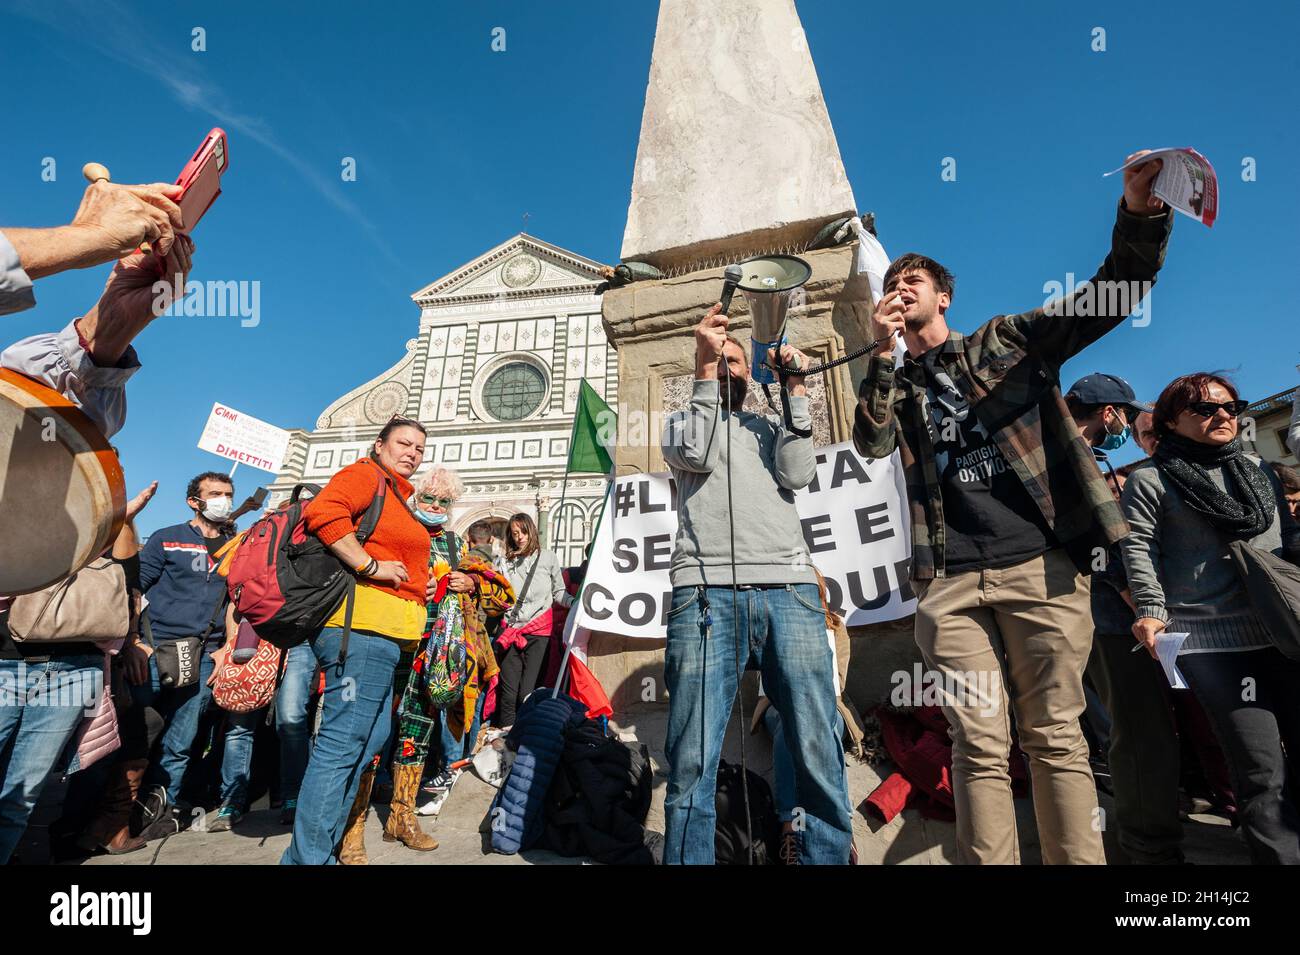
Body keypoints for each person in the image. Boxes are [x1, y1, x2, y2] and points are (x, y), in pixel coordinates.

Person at [852, 152, 1173, 864]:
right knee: (977, 740)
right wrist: (881, 350)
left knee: (1055, 734)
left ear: (945, 297)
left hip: (1040, 566)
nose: (901, 288)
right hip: (951, 579)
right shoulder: (896, 385)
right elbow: (869, 440)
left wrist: (1140, 217)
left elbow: (1108, 295)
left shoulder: (1003, 341)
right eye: (892, 283)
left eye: (915, 280)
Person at [660, 307, 851, 866]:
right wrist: (702, 363)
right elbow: (696, 451)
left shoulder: (771, 427)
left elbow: (798, 473)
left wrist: (794, 390)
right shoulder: (680, 424)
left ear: (751, 375)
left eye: (736, 359)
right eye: (719, 357)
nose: (727, 363)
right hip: (705, 595)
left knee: (817, 742)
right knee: (692, 755)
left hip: (789, 591)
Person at [1120, 372, 1300, 864]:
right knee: (1262, 770)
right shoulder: (1150, 480)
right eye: (1205, 409)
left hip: (1284, 632)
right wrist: (1152, 610)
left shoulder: (1258, 470)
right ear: (1172, 422)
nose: (1223, 415)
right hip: (1214, 645)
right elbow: (1138, 549)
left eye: (1230, 406)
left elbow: (1291, 542)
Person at [282, 416, 433, 866]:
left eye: (419, 448)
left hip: (387, 634)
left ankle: (313, 852)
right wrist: (370, 566)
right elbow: (323, 513)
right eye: (403, 443)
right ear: (379, 444)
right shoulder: (366, 475)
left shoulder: (399, 493)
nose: (411, 452)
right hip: (361, 629)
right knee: (342, 745)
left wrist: (414, 583)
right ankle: (309, 860)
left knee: (369, 740)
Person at [0, 480, 156, 863]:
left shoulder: (112, 531)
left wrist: (119, 520)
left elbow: (127, 585)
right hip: (6, 664)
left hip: (74, 672)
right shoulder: (20, 509)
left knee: (20, 798)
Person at [1066, 373, 1185, 864]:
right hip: (1112, 620)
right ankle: (1149, 850)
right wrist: (1136, 599)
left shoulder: (1074, 456)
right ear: (1109, 413)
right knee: (1139, 732)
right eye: (1124, 414)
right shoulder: (1076, 464)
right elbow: (1098, 545)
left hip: (1103, 617)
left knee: (1135, 728)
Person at [366, 469, 513, 852]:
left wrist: (471, 583)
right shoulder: (395, 531)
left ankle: (401, 817)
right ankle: (351, 824)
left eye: (443, 502)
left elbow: (500, 597)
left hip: (433, 654)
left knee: (416, 731)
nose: (434, 506)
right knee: (371, 732)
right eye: (428, 498)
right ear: (415, 498)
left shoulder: (451, 543)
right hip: (388, 642)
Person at [134, 472, 259, 835]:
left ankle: (162, 809)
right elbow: (134, 588)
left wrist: (226, 648)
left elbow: (238, 602)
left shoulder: (237, 547)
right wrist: (132, 640)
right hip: (155, 650)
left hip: (203, 655)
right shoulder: (167, 537)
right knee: (138, 733)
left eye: (228, 494)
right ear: (195, 501)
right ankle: (112, 813)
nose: (224, 499)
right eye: (215, 494)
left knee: (182, 740)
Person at [750, 569, 864, 865]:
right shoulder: (768, 619)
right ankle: (791, 827)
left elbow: (839, 678)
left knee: (821, 724)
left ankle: (841, 826)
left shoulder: (835, 625)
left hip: (827, 704)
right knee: (792, 721)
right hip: (778, 705)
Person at [495, 513, 568, 729]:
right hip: (511, 631)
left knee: (527, 694)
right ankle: (504, 740)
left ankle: (527, 737)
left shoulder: (548, 557)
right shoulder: (504, 562)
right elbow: (499, 595)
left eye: (523, 532)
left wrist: (576, 603)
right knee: (508, 695)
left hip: (539, 633)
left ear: (532, 531)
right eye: (515, 533)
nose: (520, 537)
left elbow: (559, 592)